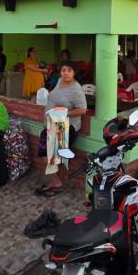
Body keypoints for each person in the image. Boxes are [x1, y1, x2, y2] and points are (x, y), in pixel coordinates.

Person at [36, 62, 88, 196]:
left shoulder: (76, 89)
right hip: (51, 124)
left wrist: (63, 112)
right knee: (44, 153)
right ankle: (56, 181)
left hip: (64, 126)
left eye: (69, 70)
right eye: (63, 70)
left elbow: (83, 110)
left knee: (52, 156)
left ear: (74, 73)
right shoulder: (59, 81)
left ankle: (57, 182)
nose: (65, 73)